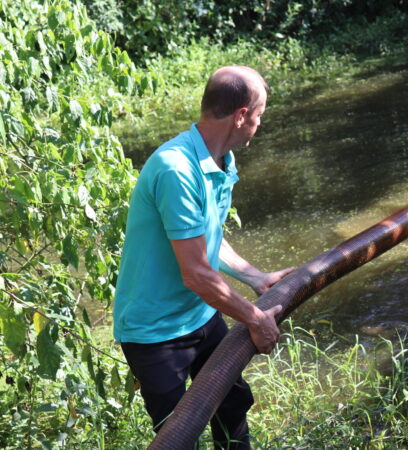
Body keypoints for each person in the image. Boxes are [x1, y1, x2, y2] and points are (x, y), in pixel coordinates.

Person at [113, 66, 293, 449]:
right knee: (179, 434)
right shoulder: (177, 169)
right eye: (259, 114)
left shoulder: (220, 160)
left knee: (232, 409)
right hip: (155, 332)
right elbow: (195, 272)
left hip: (201, 314)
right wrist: (255, 318)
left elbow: (207, 237)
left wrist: (256, 278)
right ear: (241, 115)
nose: (259, 124)